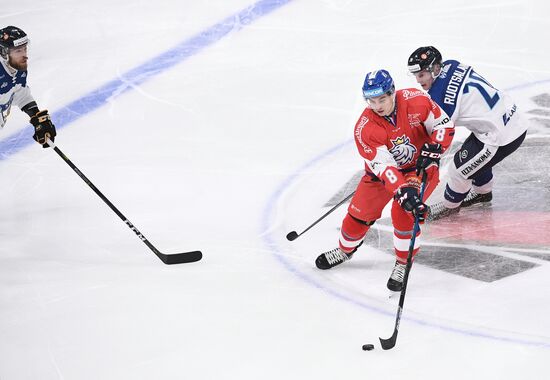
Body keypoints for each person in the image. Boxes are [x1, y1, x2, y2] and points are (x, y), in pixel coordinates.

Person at [315, 69, 455, 291]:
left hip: (419, 169)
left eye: (382, 99)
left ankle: (402, 262)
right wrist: (402, 190)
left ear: (392, 93)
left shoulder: (417, 101)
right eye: (371, 100)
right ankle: (344, 250)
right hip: (381, 176)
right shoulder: (365, 128)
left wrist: (437, 146)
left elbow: (443, 125)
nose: (377, 105)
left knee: (404, 212)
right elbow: (384, 167)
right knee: (358, 215)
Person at [407, 46, 527, 220]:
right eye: (416, 75)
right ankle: (482, 194)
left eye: (421, 75)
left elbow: (439, 130)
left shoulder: (439, 96)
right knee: (473, 158)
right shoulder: (451, 64)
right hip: (510, 117)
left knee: (457, 171)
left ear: (435, 69)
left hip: (501, 135)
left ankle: (449, 208)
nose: (418, 80)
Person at [1, 26, 56, 147]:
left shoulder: (17, 68)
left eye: (25, 49)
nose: (24, 55)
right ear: (4, 52)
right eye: (18, 51)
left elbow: (20, 94)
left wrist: (37, 118)